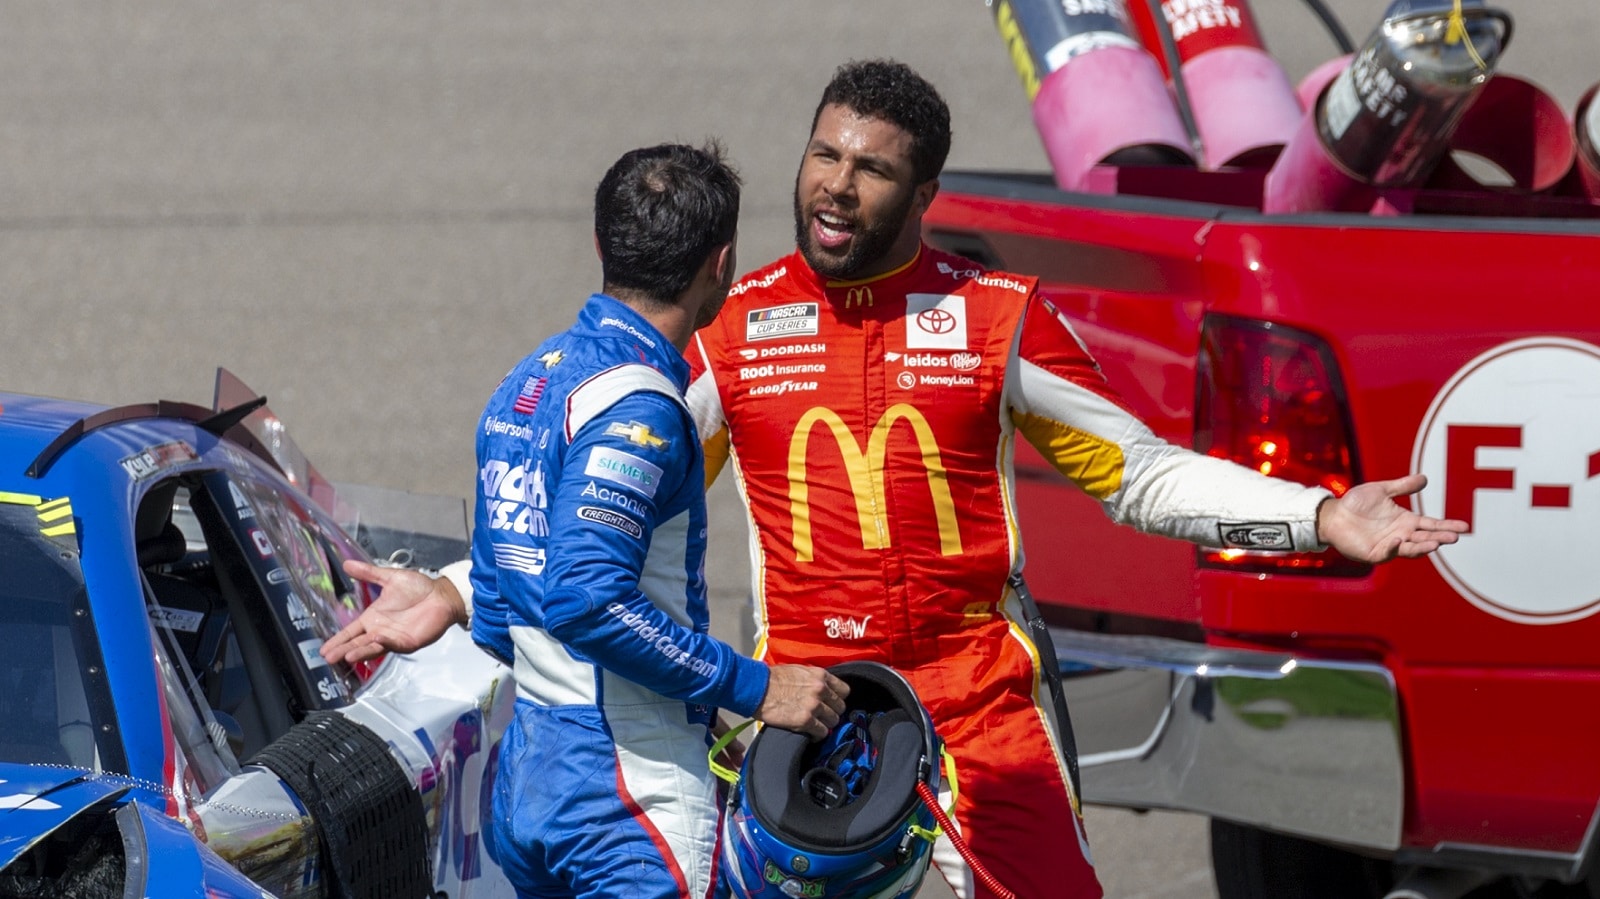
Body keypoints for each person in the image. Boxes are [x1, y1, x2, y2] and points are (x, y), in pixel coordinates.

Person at [326, 65, 1468, 899]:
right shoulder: (732, 331)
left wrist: (1318, 513)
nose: (833, 186)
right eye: (822, 156)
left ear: (923, 197)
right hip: (807, 715)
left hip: (983, 706)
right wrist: (464, 590)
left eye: (870, 170)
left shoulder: (998, 316)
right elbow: (599, 525)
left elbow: (1140, 476)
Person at [321, 142, 848, 899]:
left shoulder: (527, 380)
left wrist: (452, 591)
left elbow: (509, 604)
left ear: (602, 245)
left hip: (531, 783)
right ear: (722, 266)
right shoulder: (643, 408)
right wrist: (757, 688)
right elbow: (588, 598)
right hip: (628, 799)